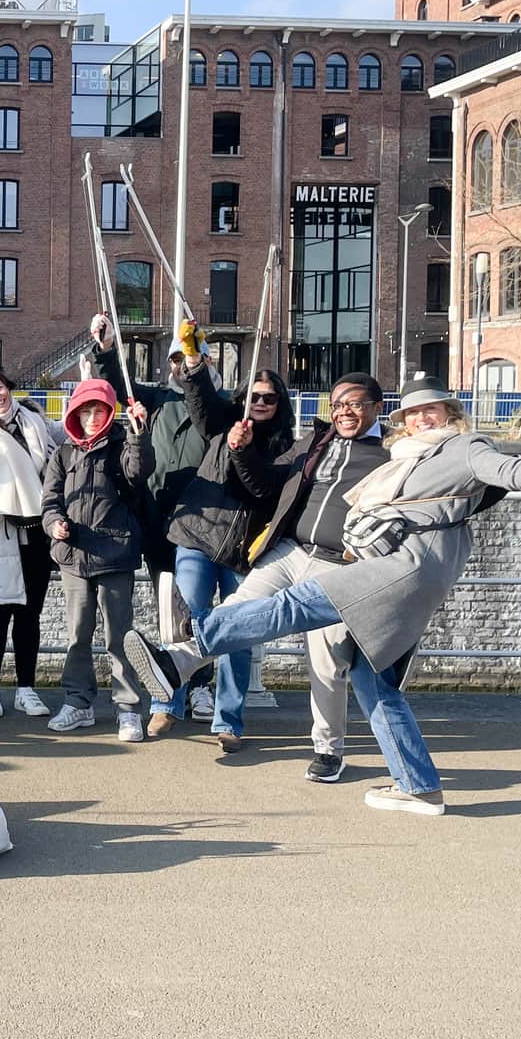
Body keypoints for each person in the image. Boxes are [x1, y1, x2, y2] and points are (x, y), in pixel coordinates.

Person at [126, 374, 521, 816]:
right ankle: (419, 785)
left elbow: (508, 471)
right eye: (413, 413)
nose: (421, 419)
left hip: (400, 569)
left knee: (298, 606)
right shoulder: (410, 454)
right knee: (373, 679)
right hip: (396, 570)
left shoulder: (464, 447)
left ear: (451, 413)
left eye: (431, 411)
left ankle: (181, 660)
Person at [205, 371, 392, 782]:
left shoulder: (393, 451)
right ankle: (173, 664)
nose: (345, 412)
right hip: (290, 551)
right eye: (338, 403)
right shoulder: (317, 441)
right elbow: (267, 484)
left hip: (338, 567)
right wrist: (243, 451)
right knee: (235, 612)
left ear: (378, 407)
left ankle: (328, 750)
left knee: (325, 663)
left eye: (355, 404)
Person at [157, 318, 296, 752]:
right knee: (185, 621)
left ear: (279, 404)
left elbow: (260, 487)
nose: (259, 402)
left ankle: (228, 721)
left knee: (236, 631)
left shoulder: (288, 447)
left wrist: (242, 450)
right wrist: (194, 359)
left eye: (268, 398)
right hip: (198, 536)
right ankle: (168, 703)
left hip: (243, 552)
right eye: (253, 396)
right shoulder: (224, 421)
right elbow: (199, 403)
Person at [90, 314, 218, 728]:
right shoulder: (156, 399)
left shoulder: (216, 406)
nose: (182, 366)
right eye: (176, 360)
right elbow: (114, 380)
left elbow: (209, 417)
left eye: (190, 359)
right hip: (161, 524)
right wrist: (107, 347)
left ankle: (200, 685)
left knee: (199, 609)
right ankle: (173, 693)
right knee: (170, 609)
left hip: (203, 527)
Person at [41, 378, 153, 739]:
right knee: (77, 634)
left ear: (110, 413)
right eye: (85, 410)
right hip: (74, 557)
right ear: (74, 413)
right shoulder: (63, 454)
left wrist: (138, 433)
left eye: (98, 410)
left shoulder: (122, 446)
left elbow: (139, 472)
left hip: (115, 555)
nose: (91, 417)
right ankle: (78, 702)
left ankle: (128, 708)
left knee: (119, 636)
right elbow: (50, 501)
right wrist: (54, 523)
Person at [0, 365, 63, 719]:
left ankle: (26, 688)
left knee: (30, 613)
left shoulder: (34, 419)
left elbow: (61, 442)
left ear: (9, 387)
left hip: (36, 528)